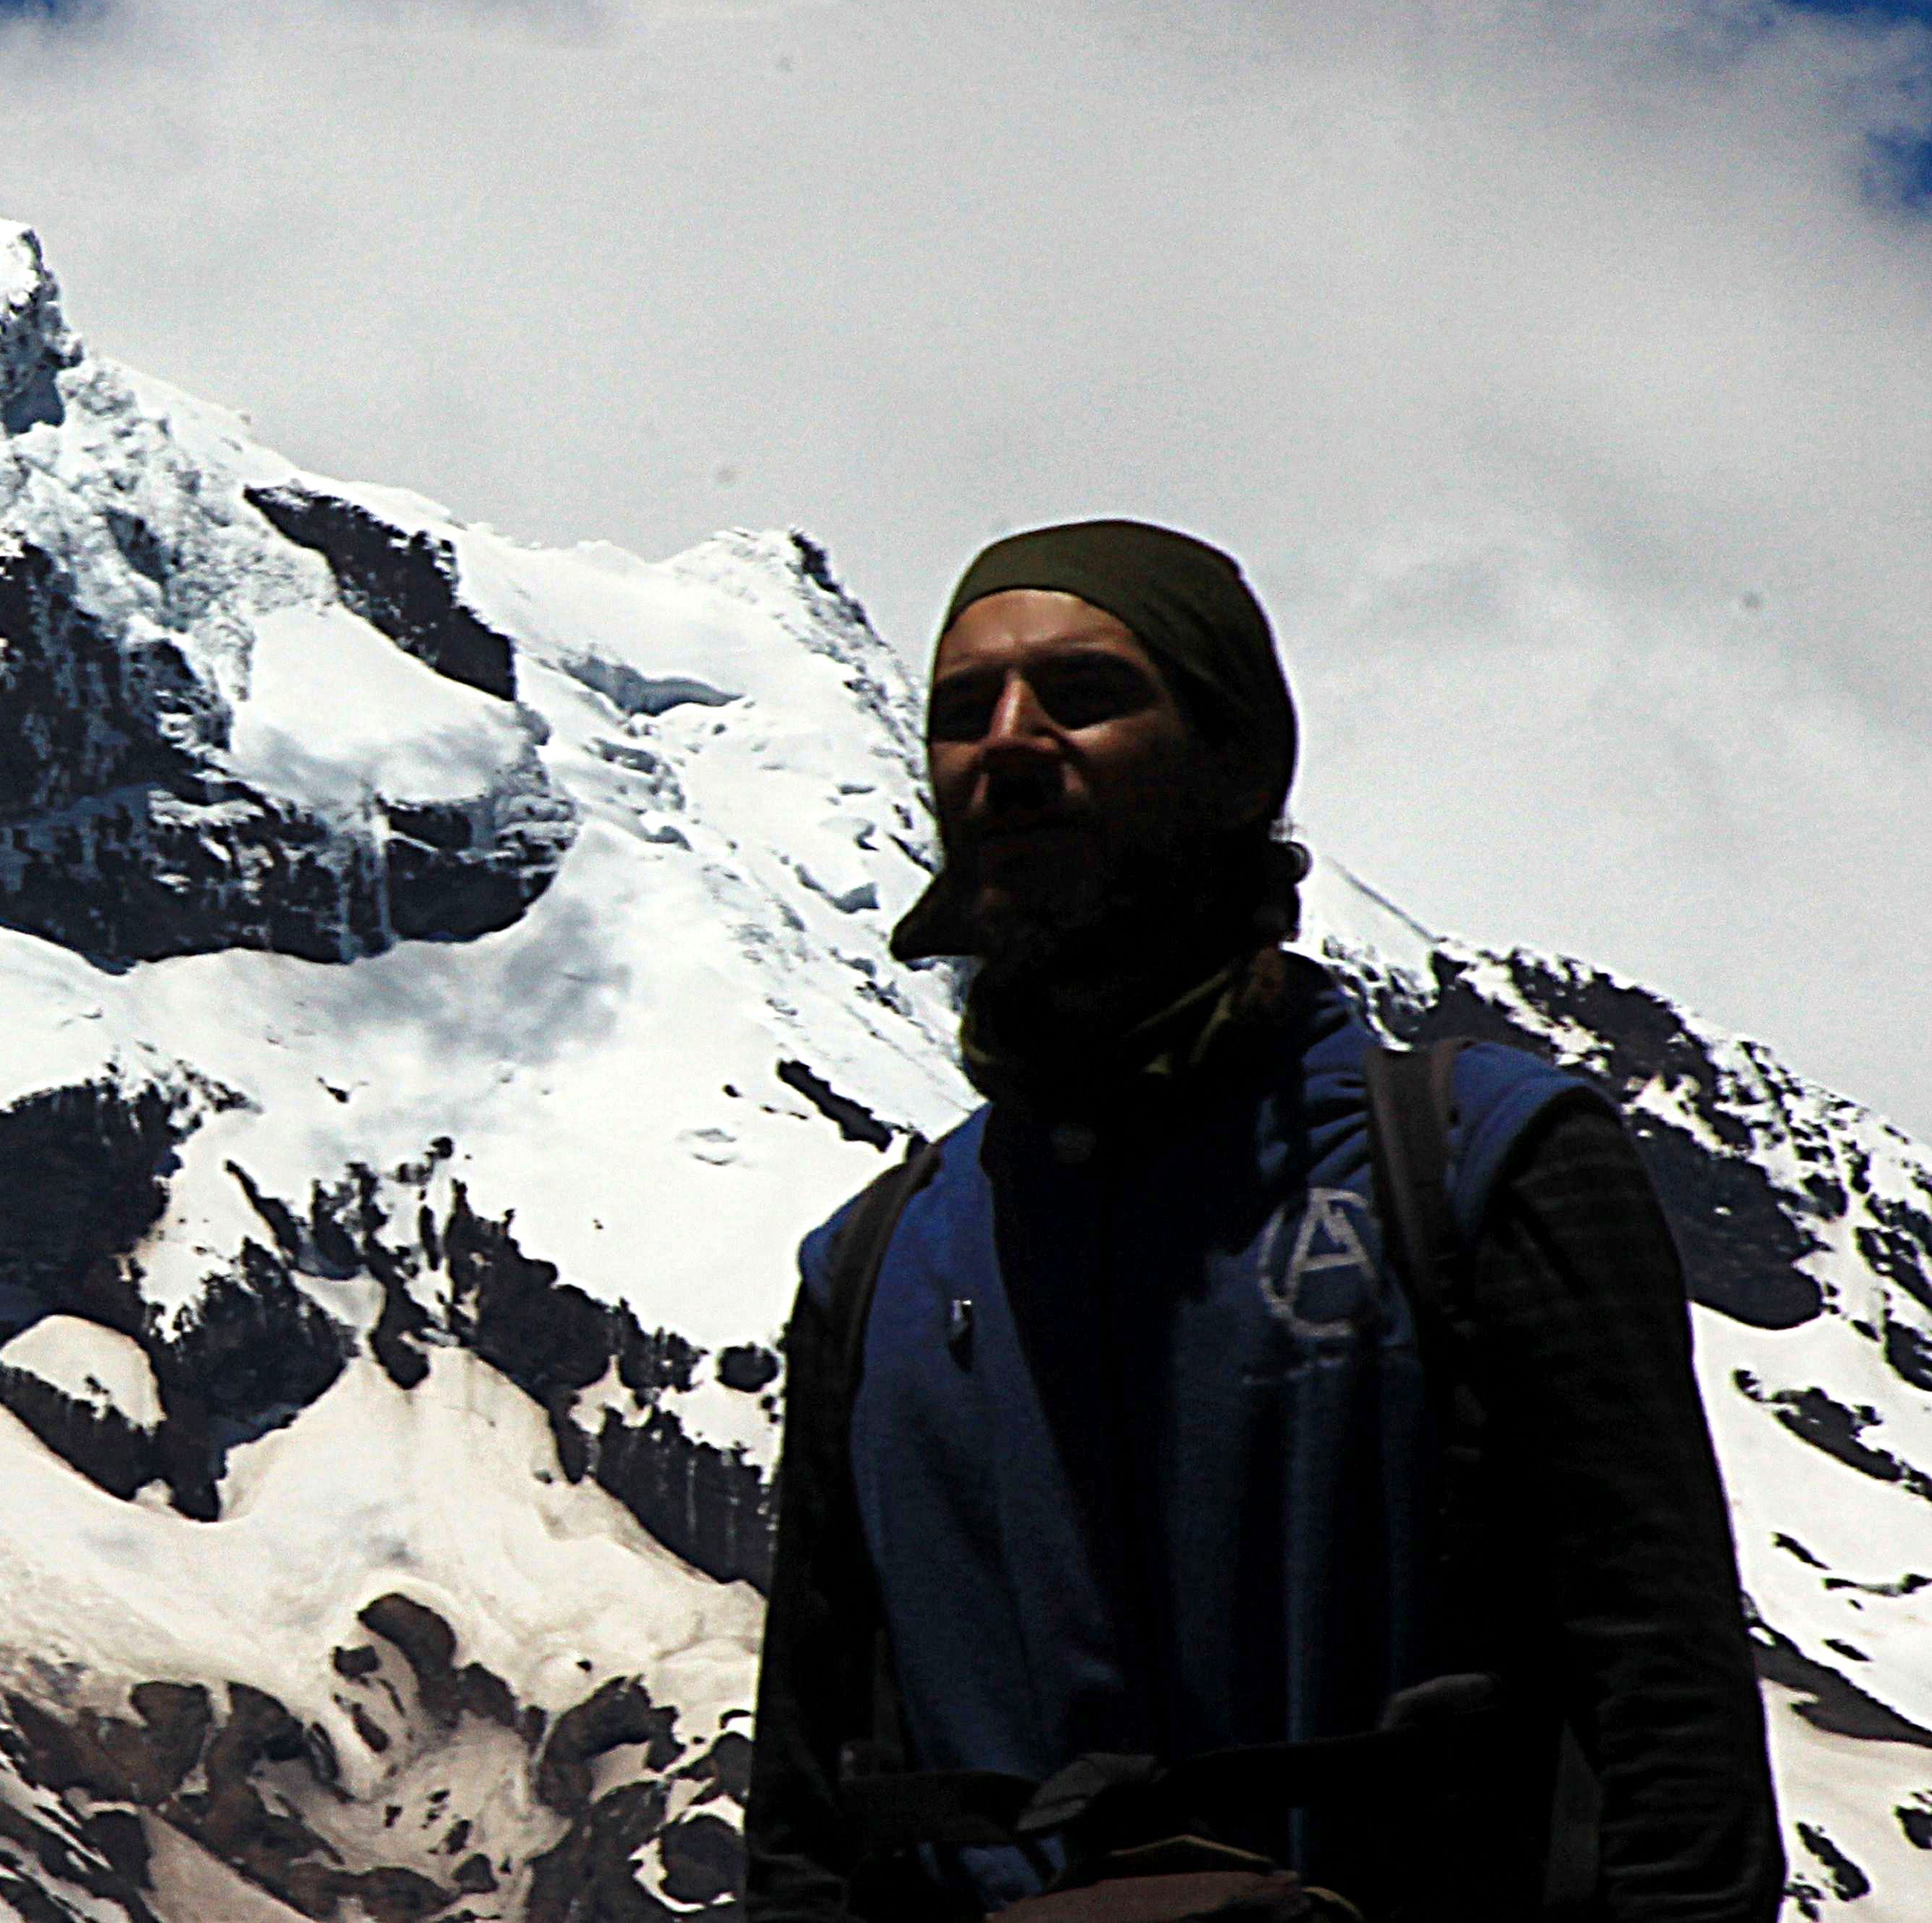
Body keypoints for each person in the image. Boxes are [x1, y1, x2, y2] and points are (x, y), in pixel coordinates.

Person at [743, 521, 1782, 1921]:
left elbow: (1668, 1709)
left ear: (1241, 766)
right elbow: (812, 1808)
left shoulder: (1485, 1165)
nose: (1007, 739)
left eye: (1084, 693)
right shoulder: (874, 1271)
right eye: (961, 710)